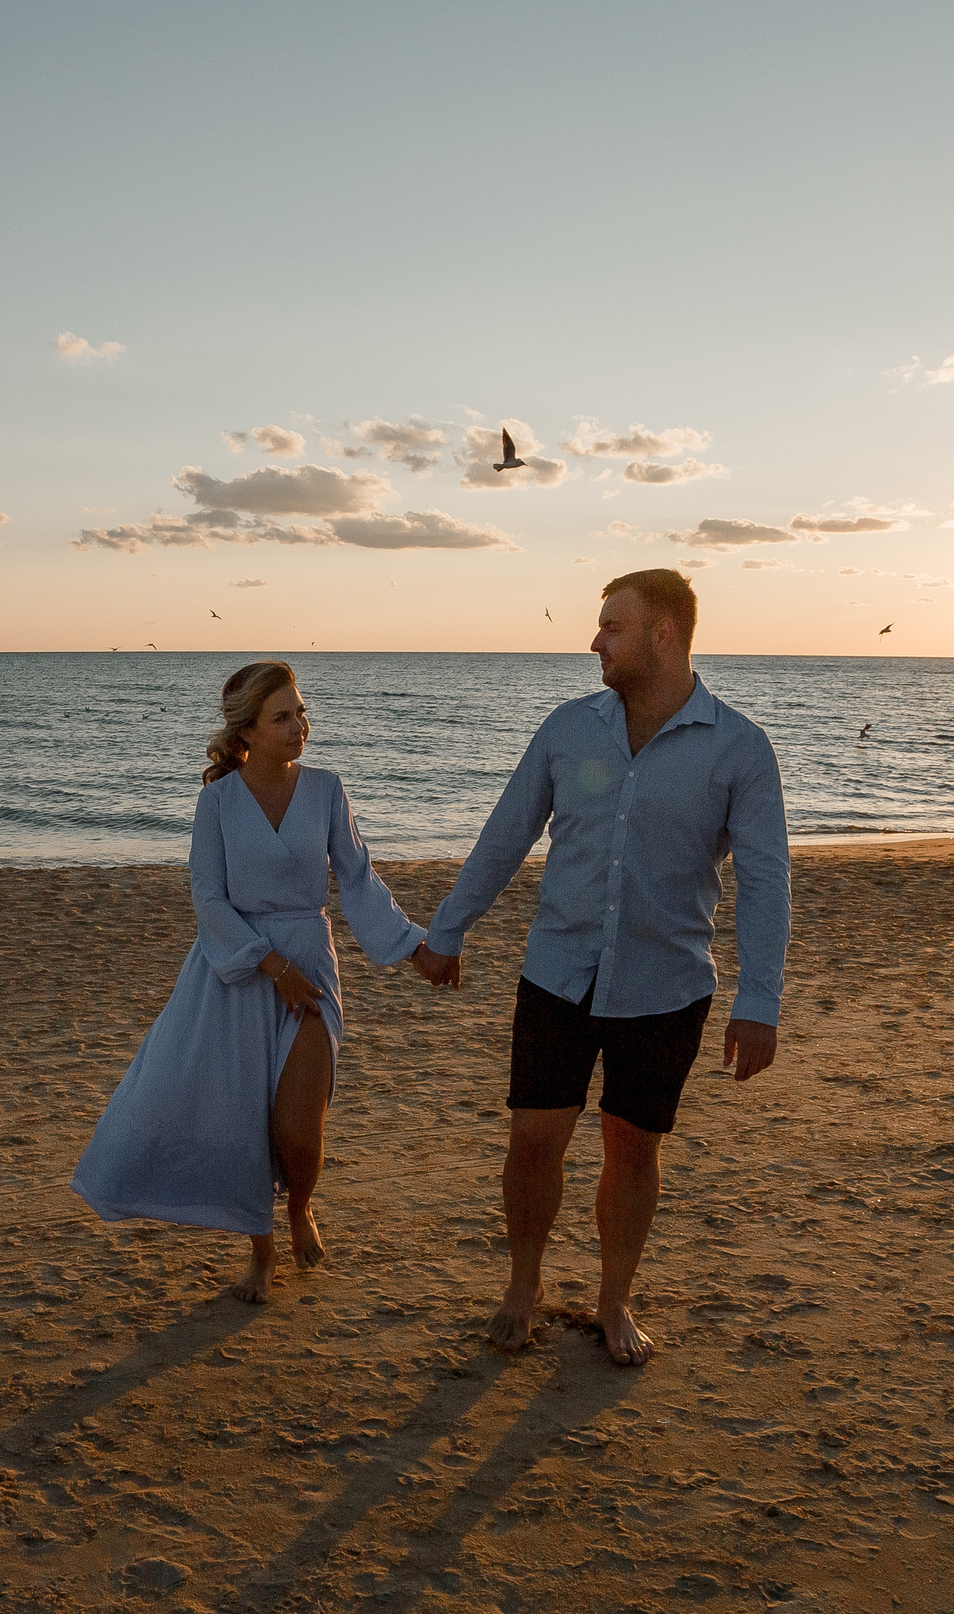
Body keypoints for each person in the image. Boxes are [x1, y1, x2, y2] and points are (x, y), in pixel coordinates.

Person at [422, 570, 790, 1366]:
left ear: (662, 634)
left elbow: (765, 879)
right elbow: (505, 835)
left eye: (611, 627)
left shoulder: (740, 747)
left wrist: (759, 1000)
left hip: (666, 986)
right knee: (532, 1139)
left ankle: (613, 1298)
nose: (595, 640)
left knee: (633, 1149)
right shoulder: (567, 728)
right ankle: (523, 1283)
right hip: (558, 972)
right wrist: (448, 930)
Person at [70, 661, 458, 1301]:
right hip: (239, 971)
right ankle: (262, 1248)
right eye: (283, 716)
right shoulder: (216, 803)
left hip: (310, 966)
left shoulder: (327, 790)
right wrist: (267, 964)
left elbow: (358, 882)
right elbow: (208, 898)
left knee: (298, 1129)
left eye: (301, 712)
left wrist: (414, 948)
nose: (300, 726)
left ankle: (300, 1204)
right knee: (245, 1124)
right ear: (247, 728)